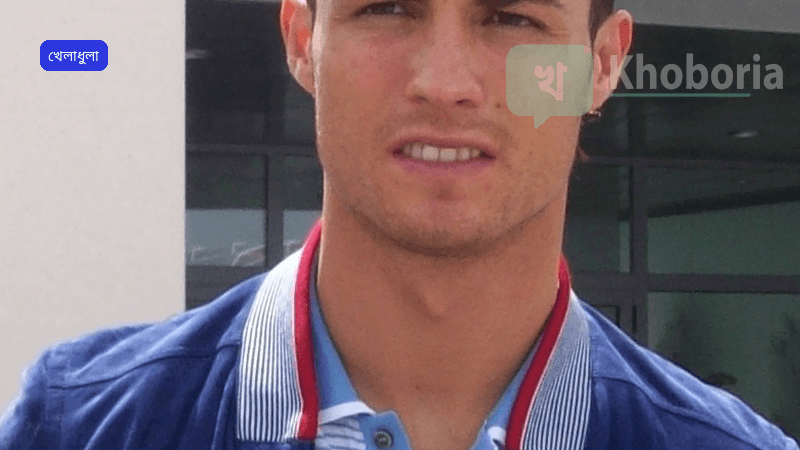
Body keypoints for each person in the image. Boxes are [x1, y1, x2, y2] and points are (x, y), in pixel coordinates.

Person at [1, 0, 798, 448]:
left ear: (602, 63)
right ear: (302, 41)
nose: (444, 82)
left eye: (511, 17)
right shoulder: (76, 427)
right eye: (387, 8)